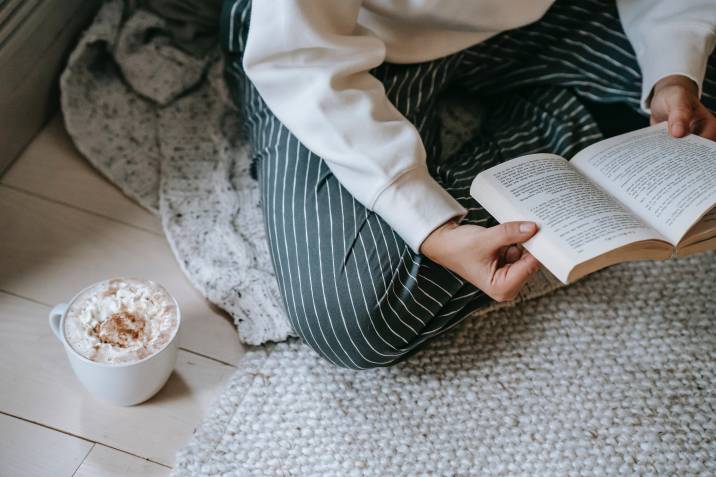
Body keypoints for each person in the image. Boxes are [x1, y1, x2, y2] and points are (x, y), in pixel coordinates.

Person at [220, 0, 716, 369]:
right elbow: (298, 54)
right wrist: (427, 223)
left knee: (695, 101)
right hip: (337, 39)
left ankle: (566, 153)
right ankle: (572, 150)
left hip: (528, 17)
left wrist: (674, 71)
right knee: (358, 317)